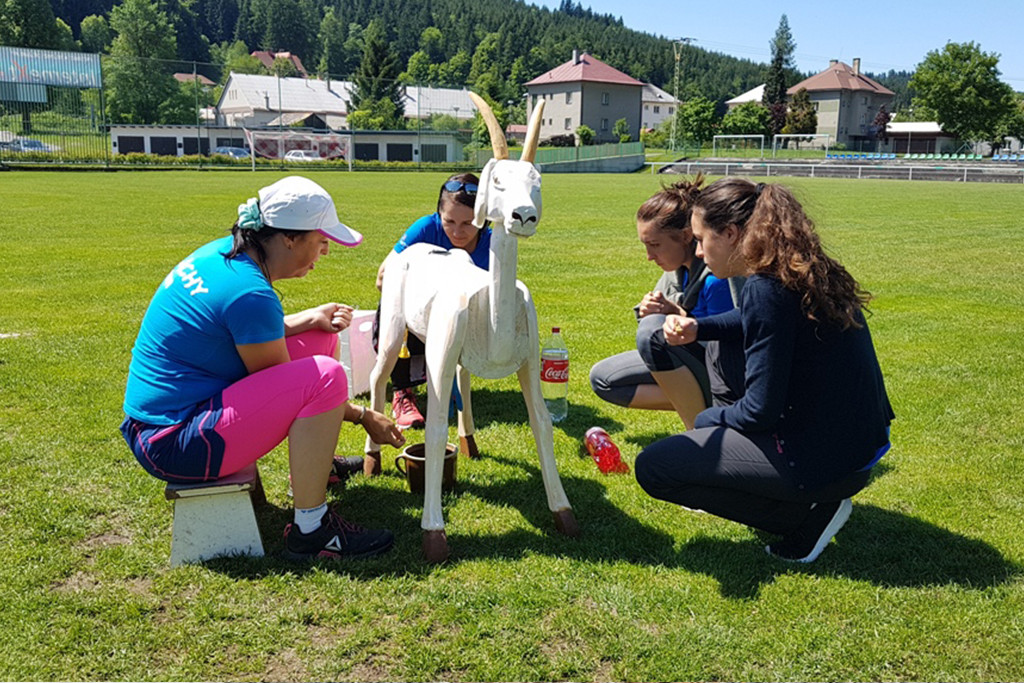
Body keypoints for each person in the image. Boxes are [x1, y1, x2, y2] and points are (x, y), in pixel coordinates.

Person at [120, 176, 406, 562]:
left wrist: (307, 318)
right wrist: (364, 415)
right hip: (175, 444)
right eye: (321, 242)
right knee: (325, 376)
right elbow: (292, 384)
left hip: (166, 424)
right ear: (289, 238)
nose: (323, 253)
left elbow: (232, 333)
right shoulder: (251, 293)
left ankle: (315, 468)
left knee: (320, 341)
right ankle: (312, 530)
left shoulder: (224, 254)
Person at [635, 178, 894, 563]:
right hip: (859, 447)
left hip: (825, 461)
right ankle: (809, 501)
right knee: (721, 376)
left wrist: (706, 419)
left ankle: (804, 517)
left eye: (702, 239)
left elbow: (760, 410)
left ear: (731, 233)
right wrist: (700, 327)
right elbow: (752, 319)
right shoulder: (798, 268)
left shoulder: (763, 288)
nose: (701, 252)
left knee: (655, 467)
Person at [588, 176, 741, 429]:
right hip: (691, 363)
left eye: (655, 245)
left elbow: (724, 344)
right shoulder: (676, 271)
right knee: (604, 379)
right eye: (645, 245)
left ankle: (700, 433)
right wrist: (652, 309)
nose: (649, 256)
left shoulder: (718, 277)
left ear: (685, 236)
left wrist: (675, 315)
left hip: (721, 374)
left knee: (652, 334)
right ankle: (705, 409)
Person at [373, 172, 487, 429]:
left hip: (463, 319)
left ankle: (454, 383)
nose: (457, 232)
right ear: (438, 215)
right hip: (419, 314)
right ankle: (402, 391)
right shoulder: (425, 228)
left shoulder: (491, 244)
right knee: (413, 309)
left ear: (483, 218)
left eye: (468, 223)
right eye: (449, 221)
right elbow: (383, 278)